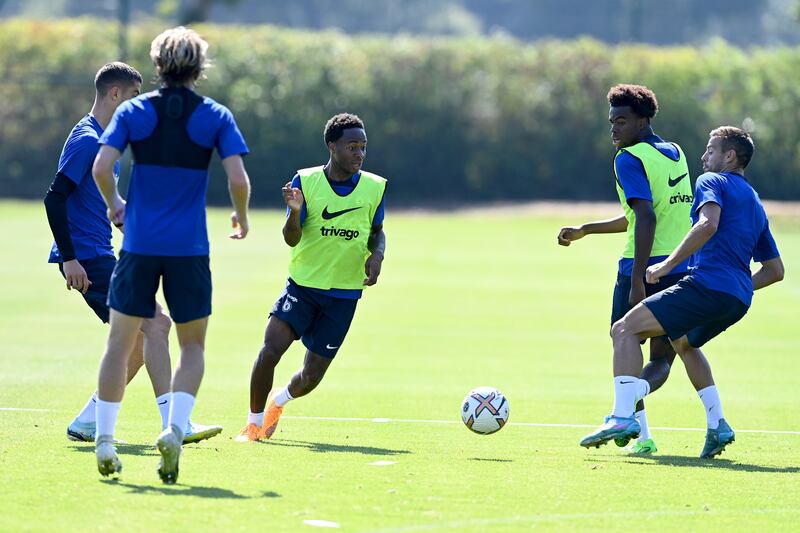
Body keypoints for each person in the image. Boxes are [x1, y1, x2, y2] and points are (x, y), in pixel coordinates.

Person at [91, 27, 251, 483]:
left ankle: (104, 440)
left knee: (118, 345)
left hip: (138, 246)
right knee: (193, 345)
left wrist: (115, 204)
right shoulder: (216, 115)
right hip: (188, 250)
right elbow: (238, 179)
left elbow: (102, 167)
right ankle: (175, 431)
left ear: (157, 65)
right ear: (200, 68)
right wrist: (240, 215)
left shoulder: (133, 110)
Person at [43, 62, 221, 446]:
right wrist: (70, 258)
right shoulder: (88, 141)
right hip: (89, 260)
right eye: (133, 97)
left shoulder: (103, 139)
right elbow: (54, 198)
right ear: (114, 94)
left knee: (140, 342)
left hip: (99, 253)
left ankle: (89, 420)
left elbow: (94, 200)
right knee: (158, 325)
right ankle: (175, 424)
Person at [579, 126, 784, 458]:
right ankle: (718, 425)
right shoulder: (755, 202)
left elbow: (707, 224)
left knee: (624, 329)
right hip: (737, 299)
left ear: (729, 156)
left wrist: (664, 266)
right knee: (685, 343)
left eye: (710, 150)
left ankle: (621, 417)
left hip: (705, 286)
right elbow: (776, 271)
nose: (703, 158)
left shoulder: (711, 182)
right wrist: (742, 286)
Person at [558, 84, 693, 453]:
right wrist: (587, 229)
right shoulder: (674, 153)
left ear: (643, 120)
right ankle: (642, 437)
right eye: (611, 122)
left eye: (622, 121)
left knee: (624, 341)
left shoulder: (628, 159)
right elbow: (644, 214)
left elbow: (646, 218)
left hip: (642, 266)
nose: (614, 130)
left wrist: (637, 281)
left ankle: (627, 418)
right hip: (678, 266)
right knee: (662, 358)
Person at [236, 113, 386, 442]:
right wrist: (293, 212)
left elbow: (377, 232)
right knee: (270, 350)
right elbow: (291, 238)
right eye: (352, 146)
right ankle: (253, 425)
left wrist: (377, 255)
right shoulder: (305, 181)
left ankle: (279, 402)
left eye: (363, 147)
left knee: (310, 377)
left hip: (344, 296)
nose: (359, 153)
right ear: (332, 146)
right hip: (302, 288)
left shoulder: (375, 188)